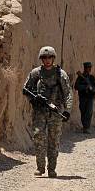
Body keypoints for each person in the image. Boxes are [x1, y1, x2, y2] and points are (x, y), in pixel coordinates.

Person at [23, 46, 72, 178]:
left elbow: (68, 93)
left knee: (53, 140)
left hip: (56, 112)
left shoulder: (61, 74)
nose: (47, 60)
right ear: (41, 59)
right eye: (44, 58)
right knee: (39, 137)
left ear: (53, 58)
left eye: (49, 57)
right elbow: (26, 90)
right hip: (40, 112)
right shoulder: (36, 73)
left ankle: (52, 169)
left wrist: (67, 110)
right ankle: (40, 167)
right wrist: (34, 100)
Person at [74, 61, 95, 133]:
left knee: (89, 112)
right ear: (85, 68)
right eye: (88, 67)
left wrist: (94, 89)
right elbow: (76, 86)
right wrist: (85, 87)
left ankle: (87, 127)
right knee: (83, 112)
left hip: (90, 97)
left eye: (90, 67)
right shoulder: (80, 77)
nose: (89, 69)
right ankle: (85, 126)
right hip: (82, 97)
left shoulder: (91, 78)